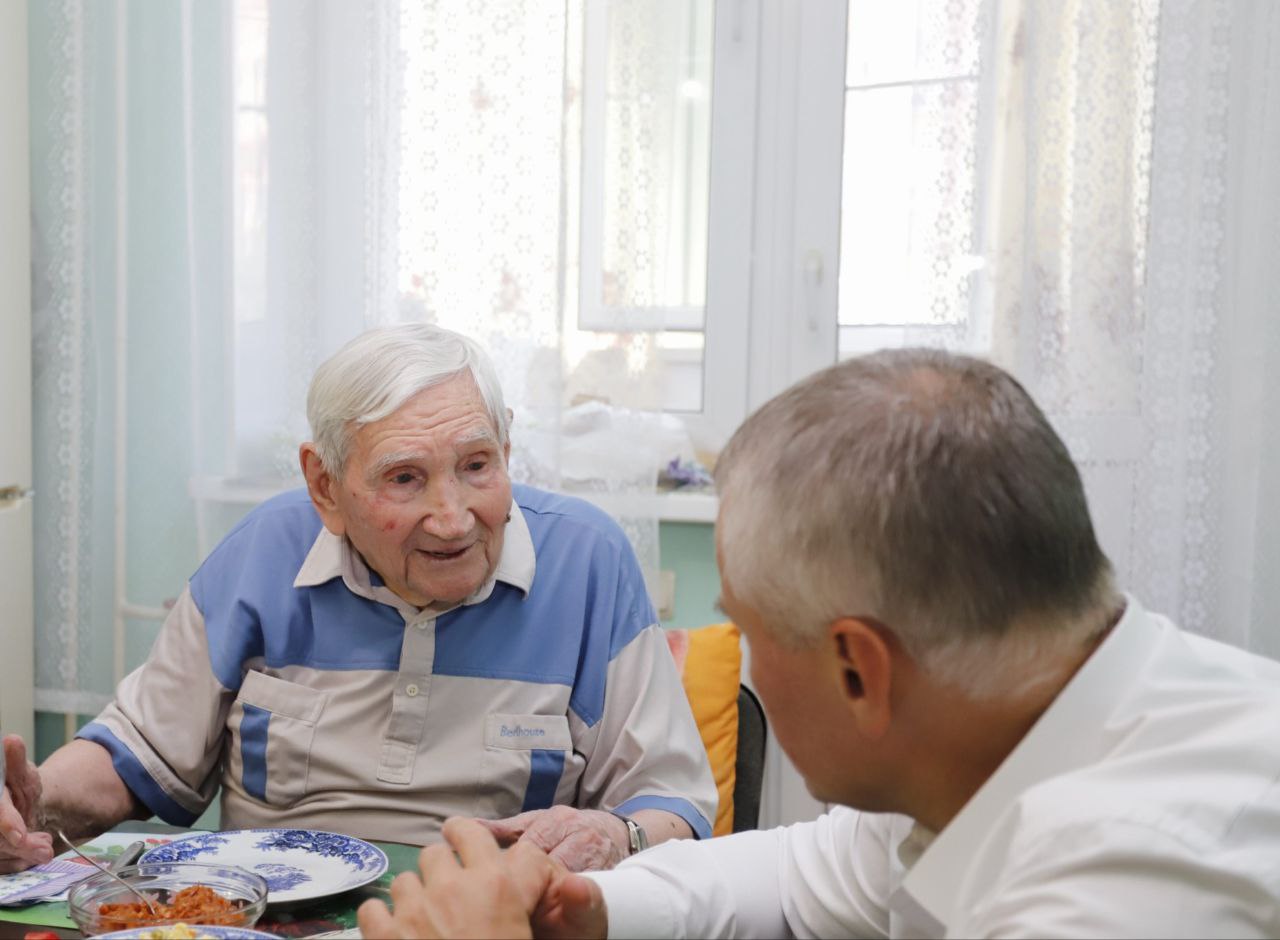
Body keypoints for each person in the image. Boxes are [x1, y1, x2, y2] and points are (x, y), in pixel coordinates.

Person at [358, 348, 1280, 938]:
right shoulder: (1019, 727)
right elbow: (805, 873)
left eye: (752, 632)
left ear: (858, 669)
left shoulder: (1134, 884)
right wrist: (589, 908)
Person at [0, 324, 716, 875]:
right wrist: (34, 796)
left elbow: (672, 799)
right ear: (325, 486)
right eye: (405, 478)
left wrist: (615, 833)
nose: (453, 516)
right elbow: (139, 754)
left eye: (476, 466)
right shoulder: (263, 553)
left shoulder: (587, 561)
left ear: (506, 447)